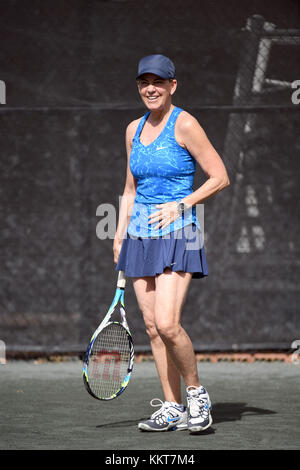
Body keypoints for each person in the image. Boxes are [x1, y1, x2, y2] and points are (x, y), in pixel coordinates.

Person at [113, 54, 230, 433]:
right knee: (150, 327)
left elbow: (220, 177)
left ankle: (196, 394)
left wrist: (181, 205)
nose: (151, 88)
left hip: (180, 233)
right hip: (139, 236)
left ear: (172, 86)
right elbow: (131, 189)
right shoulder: (133, 130)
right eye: (144, 81)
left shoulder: (186, 124)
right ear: (138, 86)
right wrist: (118, 232)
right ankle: (172, 406)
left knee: (167, 323)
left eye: (158, 82)